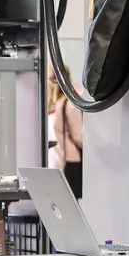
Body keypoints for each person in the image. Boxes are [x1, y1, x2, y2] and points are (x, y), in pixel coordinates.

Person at [47, 65, 84, 198]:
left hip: (56, 162)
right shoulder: (68, 104)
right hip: (71, 162)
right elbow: (78, 136)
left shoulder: (49, 106)